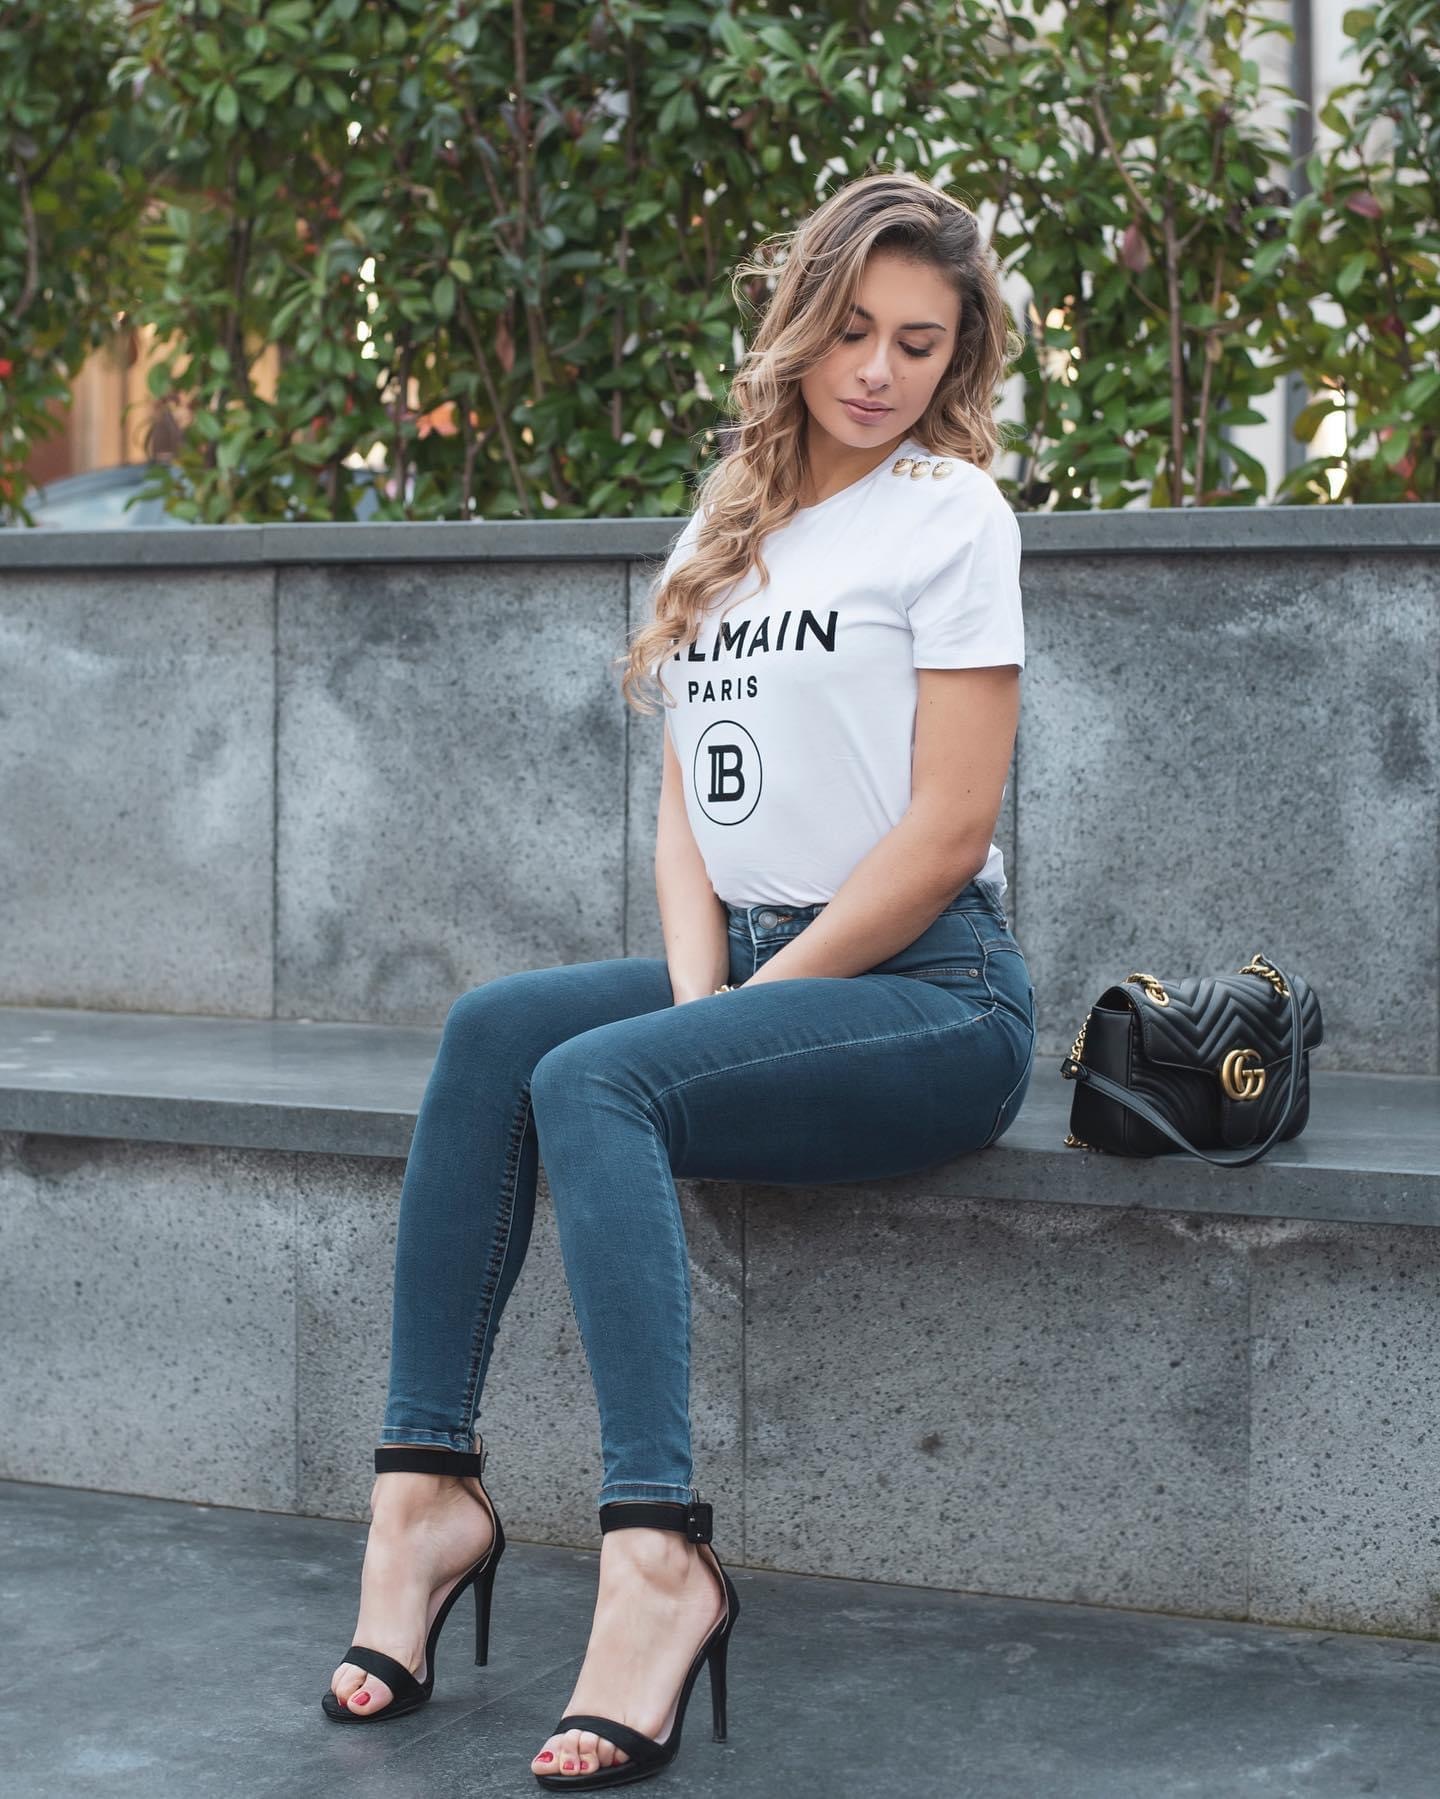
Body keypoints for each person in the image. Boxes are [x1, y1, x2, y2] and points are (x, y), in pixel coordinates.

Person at [322, 169, 1036, 1790]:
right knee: (494, 1033)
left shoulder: (950, 517)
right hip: (765, 962)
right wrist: (707, 998)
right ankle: (423, 1496)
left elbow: (946, 834)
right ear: (799, 325)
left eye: (920, 342)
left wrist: (721, 1026)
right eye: (851, 329)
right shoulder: (727, 522)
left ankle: (660, 1557)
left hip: (933, 995)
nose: (878, 369)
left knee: (598, 1074)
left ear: (957, 358)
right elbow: (685, 814)